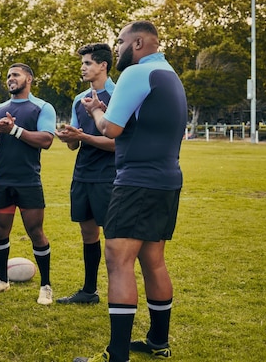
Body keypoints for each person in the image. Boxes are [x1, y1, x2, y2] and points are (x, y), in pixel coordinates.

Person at [73, 20, 187, 362]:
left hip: (137, 181)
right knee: (153, 261)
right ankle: (157, 343)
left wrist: (95, 110)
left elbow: (111, 129)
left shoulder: (136, 74)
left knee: (118, 261)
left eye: (120, 41)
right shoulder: (168, 74)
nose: (117, 46)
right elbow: (141, 124)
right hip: (167, 180)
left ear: (137, 43)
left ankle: (117, 355)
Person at [0, 63, 57, 305]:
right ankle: (2, 280)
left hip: (28, 180)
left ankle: (46, 285)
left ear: (28, 79)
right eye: (9, 76)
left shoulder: (42, 107)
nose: (11, 79)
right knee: (1, 232)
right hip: (1, 180)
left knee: (36, 232)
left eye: (16, 75)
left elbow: (46, 140)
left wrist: (15, 130)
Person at [55, 43, 115, 305]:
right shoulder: (79, 99)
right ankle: (89, 292)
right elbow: (75, 143)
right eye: (82, 63)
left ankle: (119, 294)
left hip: (110, 175)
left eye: (88, 63)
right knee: (88, 234)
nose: (83, 67)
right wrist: (68, 136)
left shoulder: (120, 96)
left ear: (103, 65)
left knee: (114, 238)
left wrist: (82, 136)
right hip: (83, 174)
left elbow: (118, 143)